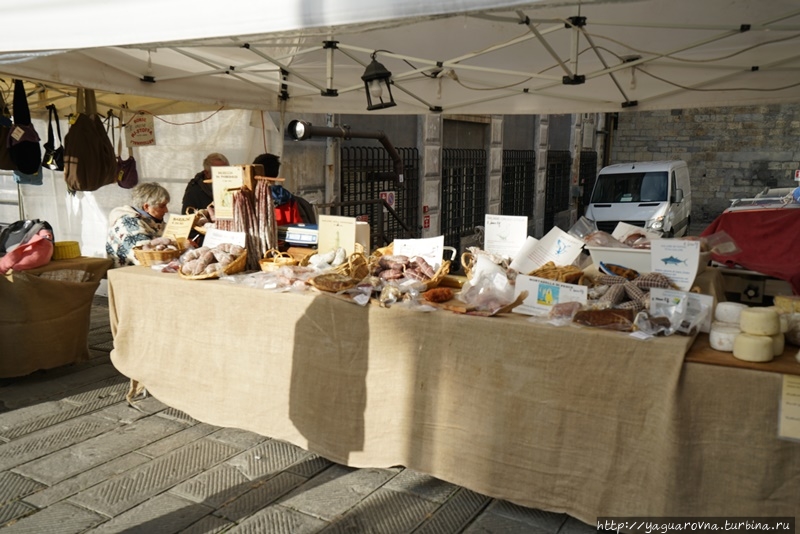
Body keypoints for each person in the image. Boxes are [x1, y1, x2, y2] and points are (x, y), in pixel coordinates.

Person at [106, 182, 170, 268]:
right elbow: (147, 256)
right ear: (146, 207)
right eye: (162, 206)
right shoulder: (129, 223)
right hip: (128, 275)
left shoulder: (152, 220)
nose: (166, 210)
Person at [253, 152, 316, 225]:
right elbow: (299, 227)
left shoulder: (253, 199)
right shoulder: (289, 200)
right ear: (276, 174)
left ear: (255, 172)